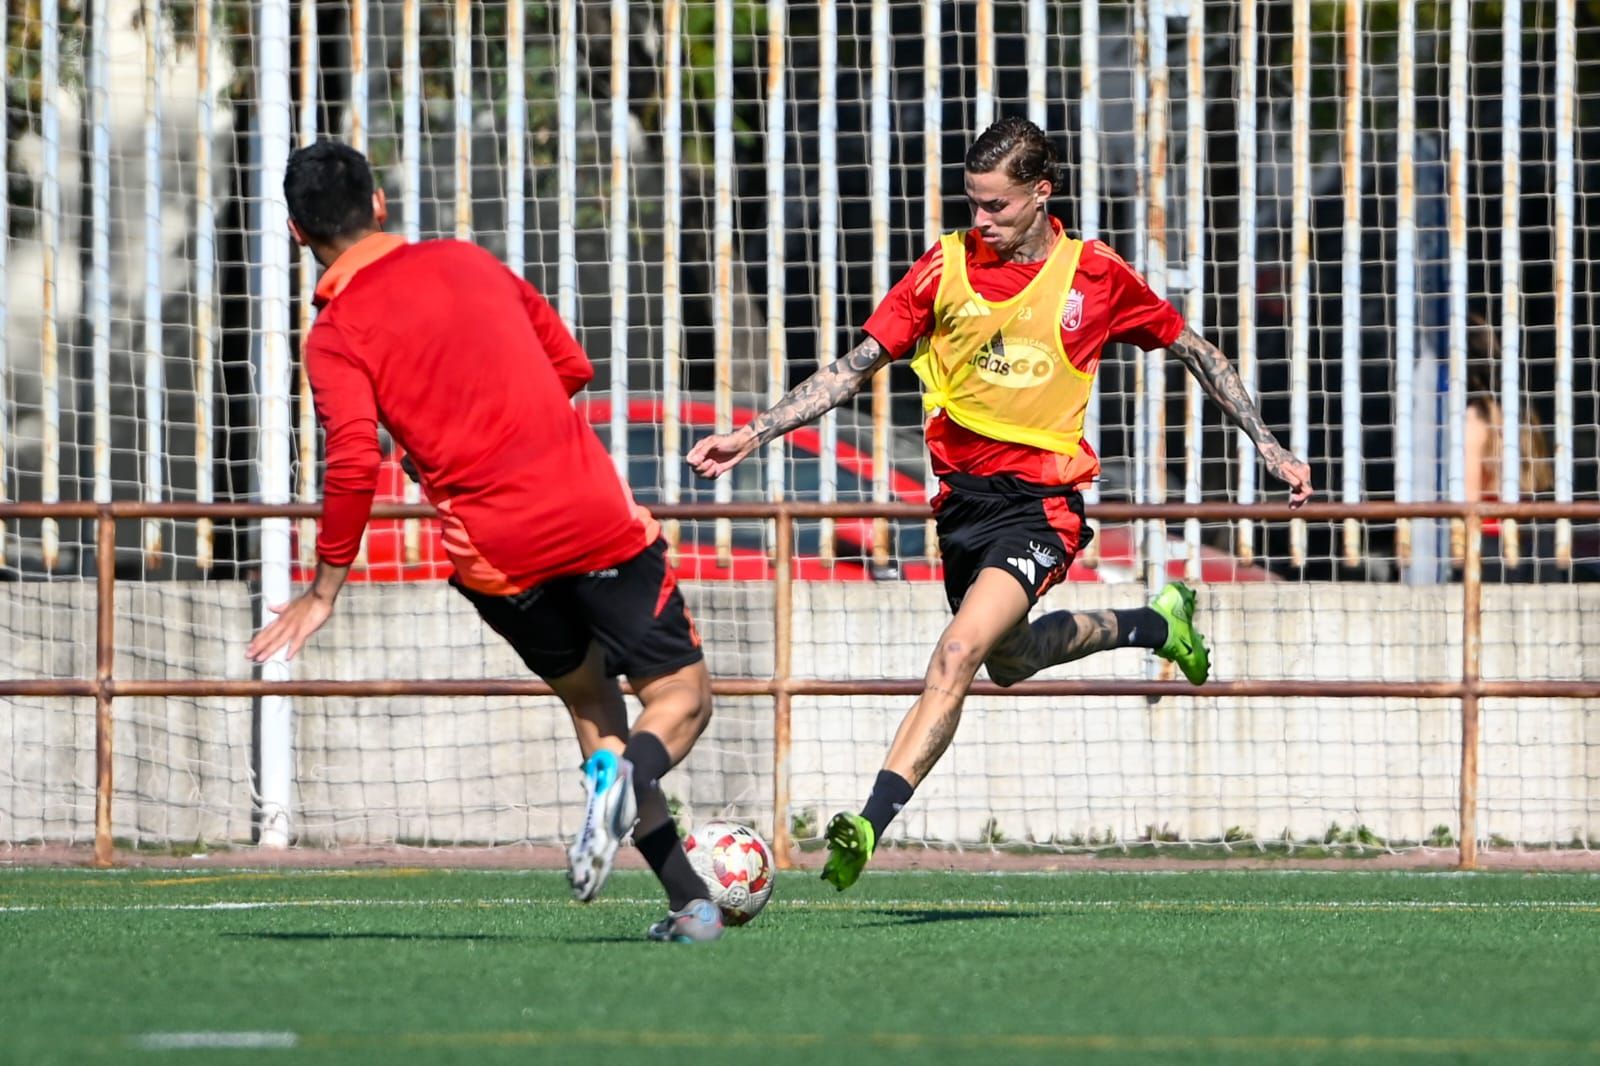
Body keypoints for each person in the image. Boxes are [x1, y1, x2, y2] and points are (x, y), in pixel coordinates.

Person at [688, 117, 1313, 891]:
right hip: (962, 509)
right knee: (1009, 662)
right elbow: (852, 369)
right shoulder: (942, 269)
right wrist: (754, 432)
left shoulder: (1094, 275)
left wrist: (1267, 444)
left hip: (1044, 506)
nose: (980, 221)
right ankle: (1154, 623)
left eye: (997, 206)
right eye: (973, 203)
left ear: (1041, 194)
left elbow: (1197, 350)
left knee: (957, 652)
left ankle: (868, 821)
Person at [246, 140, 722, 942]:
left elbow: (354, 461)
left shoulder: (333, 336)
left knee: (592, 705)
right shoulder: (467, 262)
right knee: (680, 700)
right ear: (381, 204)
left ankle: (690, 902)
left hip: (494, 557)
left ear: (298, 234)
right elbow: (570, 364)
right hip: (590, 518)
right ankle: (627, 789)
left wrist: (325, 587)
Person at [1462, 313, 1559, 582]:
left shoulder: (1476, 417)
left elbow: (1468, 498)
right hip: (1535, 539)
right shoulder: (1522, 411)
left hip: (1491, 543)